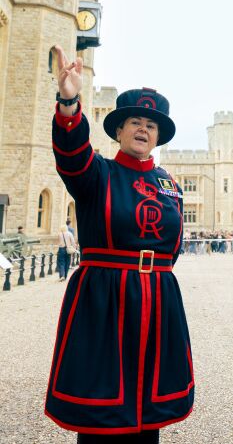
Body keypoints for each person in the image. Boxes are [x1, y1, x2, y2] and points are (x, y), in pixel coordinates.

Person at [45, 46, 194, 442]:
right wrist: (69, 102)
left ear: (158, 135)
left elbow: (173, 246)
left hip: (157, 300)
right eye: (134, 122)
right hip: (104, 300)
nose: (143, 129)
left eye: (151, 124)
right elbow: (70, 153)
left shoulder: (169, 184)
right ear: (118, 130)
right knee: (102, 411)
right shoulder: (97, 174)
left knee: (148, 413)